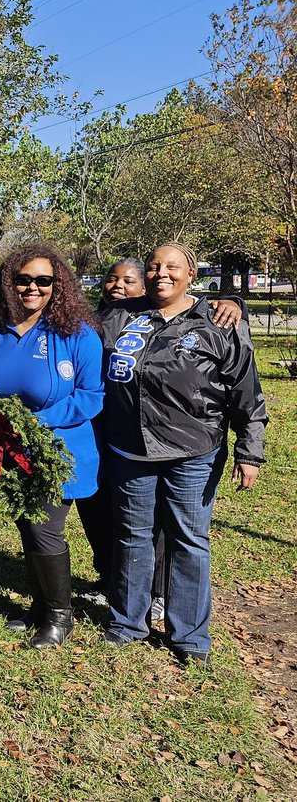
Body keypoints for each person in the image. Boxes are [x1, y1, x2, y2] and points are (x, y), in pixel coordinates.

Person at [100, 242, 266, 667]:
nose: (162, 274)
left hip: (194, 451)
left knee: (188, 540)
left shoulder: (217, 320)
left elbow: (246, 391)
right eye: (154, 266)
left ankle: (189, 635)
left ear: (191, 274)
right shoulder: (120, 316)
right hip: (130, 449)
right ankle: (127, 623)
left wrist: (250, 450)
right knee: (132, 535)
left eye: (172, 267)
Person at [0, 244, 104, 649]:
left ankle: (60, 616)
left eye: (43, 280)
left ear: (59, 285)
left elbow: (91, 396)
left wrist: (36, 421)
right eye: (22, 280)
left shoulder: (78, 335)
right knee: (26, 524)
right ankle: (39, 606)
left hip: (58, 453)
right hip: (5, 450)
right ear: (8, 283)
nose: (32, 288)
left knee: (43, 528)